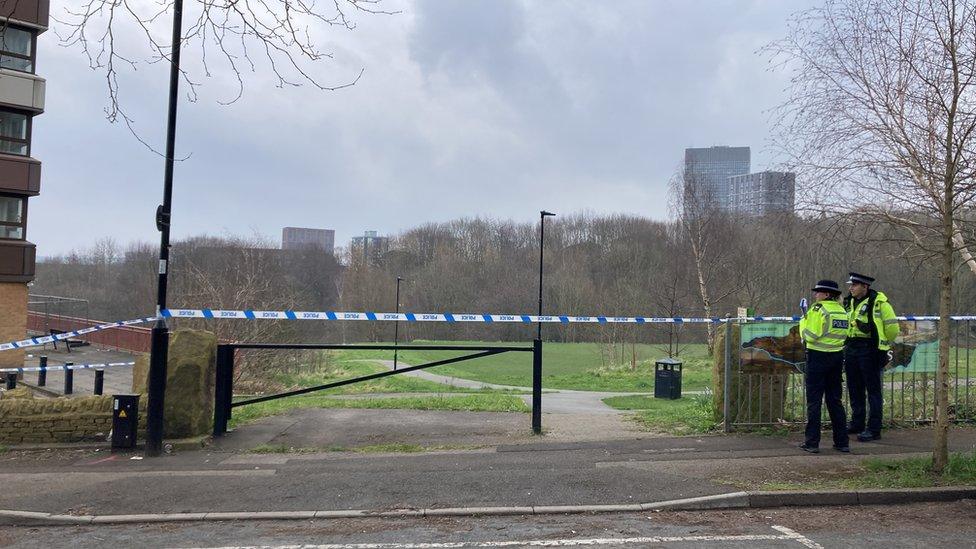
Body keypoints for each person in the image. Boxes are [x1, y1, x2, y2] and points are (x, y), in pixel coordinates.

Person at [843, 272, 899, 442]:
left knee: (873, 391)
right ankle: (857, 423)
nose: (850, 288)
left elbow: (892, 330)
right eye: (850, 285)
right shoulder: (849, 302)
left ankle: (874, 429)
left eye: (854, 285)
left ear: (865, 286)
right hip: (852, 348)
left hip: (870, 349)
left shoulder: (880, 303)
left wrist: (882, 346)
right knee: (854, 388)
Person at [799, 280, 850, 453]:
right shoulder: (842, 311)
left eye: (818, 292)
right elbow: (845, 334)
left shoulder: (817, 309)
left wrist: (803, 322)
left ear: (827, 294)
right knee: (835, 401)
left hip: (817, 357)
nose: (815, 295)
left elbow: (810, 335)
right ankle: (842, 442)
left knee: (814, 402)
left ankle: (812, 443)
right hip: (836, 357)